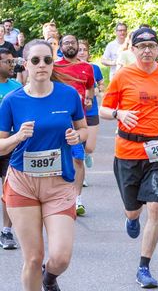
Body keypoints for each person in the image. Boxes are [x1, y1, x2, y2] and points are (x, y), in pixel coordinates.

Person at [100, 28, 158, 288]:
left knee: (156, 207)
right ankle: (131, 217)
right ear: (133, 50)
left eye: (152, 45)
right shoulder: (124, 75)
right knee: (133, 208)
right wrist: (119, 114)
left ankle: (144, 267)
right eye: (142, 46)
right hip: (128, 150)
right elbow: (104, 109)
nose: (147, 50)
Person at [0, 39, 88, 291]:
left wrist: (76, 136)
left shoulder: (68, 95)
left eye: (47, 60)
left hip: (59, 183)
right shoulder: (12, 101)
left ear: (53, 63)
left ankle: (49, 279)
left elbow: (83, 131)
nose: (42, 65)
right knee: (33, 257)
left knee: (60, 257)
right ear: (25, 64)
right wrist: (18, 137)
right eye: (35, 60)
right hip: (22, 183)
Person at [54, 35, 95, 216]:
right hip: (56, 122)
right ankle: (59, 196)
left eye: (73, 42)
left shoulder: (87, 67)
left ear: (78, 46)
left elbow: (90, 88)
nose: (70, 45)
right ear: (61, 47)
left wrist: (88, 98)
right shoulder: (55, 67)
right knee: (57, 159)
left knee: (78, 159)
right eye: (66, 43)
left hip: (78, 123)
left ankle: (77, 198)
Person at [0, 48, 22, 250]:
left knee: (8, 189)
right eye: (7, 62)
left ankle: (6, 231)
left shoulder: (17, 87)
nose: (11, 65)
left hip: (9, 146)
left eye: (12, 61)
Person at [77, 40, 105, 173]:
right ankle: (80, 173)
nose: (82, 52)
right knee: (76, 146)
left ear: (88, 53)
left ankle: (86, 154)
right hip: (76, 112)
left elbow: (101, 83)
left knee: (89, 147)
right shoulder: (69, 68)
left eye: (84, 50)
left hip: (91, 110)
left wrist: (99, 90)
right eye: (79, 49)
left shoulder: (95, 68)